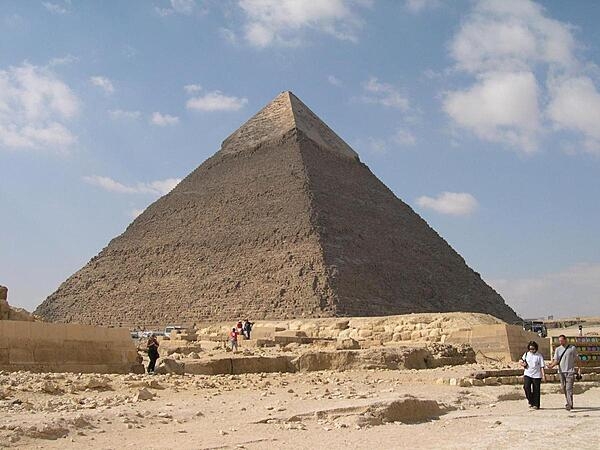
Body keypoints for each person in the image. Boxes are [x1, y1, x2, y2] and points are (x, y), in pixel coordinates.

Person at [547, 334, 582, 410]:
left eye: (562, 340)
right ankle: (569, 402)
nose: (560, 342)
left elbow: (577, 359)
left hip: (570, 371)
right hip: (561, 372)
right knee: (564, 387)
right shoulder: (557, 349)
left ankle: (569, 404)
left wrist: (579, 369)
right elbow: (556, 360)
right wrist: (551, 366)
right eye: (559, 341)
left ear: (565, 340)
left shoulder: (572, 348)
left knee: (569, 388)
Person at [520, 341, 545, 409]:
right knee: (526, 387)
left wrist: (543, 375)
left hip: (536, 375)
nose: (531, 350)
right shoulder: (526, 354)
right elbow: (521, 361)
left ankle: (536, 404)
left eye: (533, 349)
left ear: (536, 348)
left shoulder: (539, 356)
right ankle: (531, 401)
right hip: (527, 373)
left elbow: (542, 366)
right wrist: (523, 364)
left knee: (536, 390)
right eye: (530, 349)